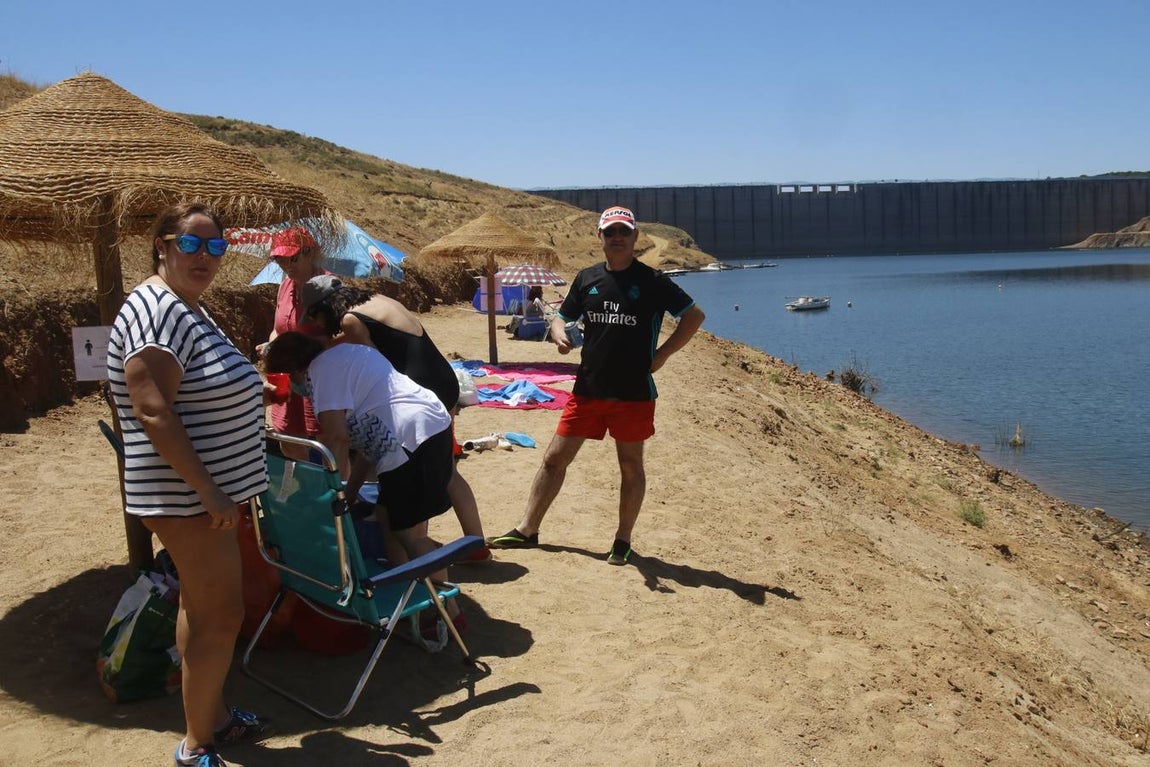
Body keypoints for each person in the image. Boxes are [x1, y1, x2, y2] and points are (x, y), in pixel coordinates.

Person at [106, 202, 272, 767]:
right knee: (221, 615)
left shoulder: (184, 306)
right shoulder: (158, 310)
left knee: (203, 611)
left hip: (203, 499)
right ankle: (197, 743)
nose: (205, 257)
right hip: (189, 500)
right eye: (192, 244)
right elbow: (153, 411)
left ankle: (213, 718)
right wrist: (209, 491)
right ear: (162, 244)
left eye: (216, 247)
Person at [487, 205, 705, 565]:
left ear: (635, 237)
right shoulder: (587, 278)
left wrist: (663, 355)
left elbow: (694, 316)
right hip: (587, 389)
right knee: (554, 459)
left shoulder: (652, 281)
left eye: (624, 232)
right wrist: (558, 335)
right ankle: (527, 530)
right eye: (610, 232)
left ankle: (622, 540)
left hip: (634, 394)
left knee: (630, 465)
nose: (617, 238)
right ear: (600, 237)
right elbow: (562, 317)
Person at [264, 331, 465, 618]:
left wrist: (327, 495)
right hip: (427, 429)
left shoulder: (321, 373)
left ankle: (449, 613)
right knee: (388, 519)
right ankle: (410, 602)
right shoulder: (345, 356)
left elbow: (336, 440)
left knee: (409, 534)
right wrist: (351, 492)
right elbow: (367, 444)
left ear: (295, 370)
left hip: (409, 439)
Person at [300, 275, 490, 561]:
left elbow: (367, 358)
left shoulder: (351, 320)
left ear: (324, 309)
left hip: (421, 387)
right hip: (442, 379)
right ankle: (475, 544)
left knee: (412, 467)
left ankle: (414, 548)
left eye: (315, 318)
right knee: (445, 468)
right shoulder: (376, 300)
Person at [255, 226, 328, 459]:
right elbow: (278, 329)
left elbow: (338, 337)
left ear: (310, 253)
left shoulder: (327, 287)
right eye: (280, 260)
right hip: (288, 379)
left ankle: (330, 491)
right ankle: (303, 488)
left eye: (292, 258)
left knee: (325, 443)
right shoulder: (285, 286)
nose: (287, 266)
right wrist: (272, 346)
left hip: (318, 381)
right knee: (288, 440)